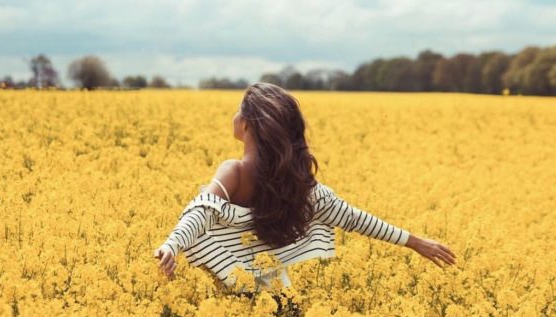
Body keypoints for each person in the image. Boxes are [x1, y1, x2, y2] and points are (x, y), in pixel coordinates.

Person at [154, 83, 456, 296]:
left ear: (248, 124)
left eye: (237, 111)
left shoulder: (233, 171)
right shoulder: (295, 183)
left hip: (236, 301)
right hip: (279, 298)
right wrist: (416, 242)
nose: (233, 117)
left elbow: (201, 212)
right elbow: (353, 218)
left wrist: (172, 245)